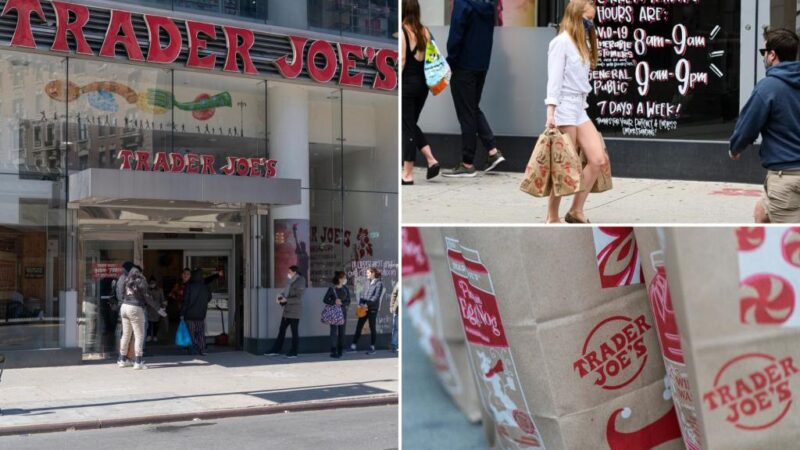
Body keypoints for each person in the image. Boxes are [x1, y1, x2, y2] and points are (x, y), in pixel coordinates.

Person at [544, 0, 606, 224]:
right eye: (587, 20)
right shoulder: (561, 43)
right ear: (575, 17)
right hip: (564, 107)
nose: (590, 24)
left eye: (592, 20)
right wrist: (551, 112)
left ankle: (576, 210)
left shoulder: (582, 43)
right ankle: (552, 216)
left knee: (598, 159)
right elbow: (554, 79)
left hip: (580, 106)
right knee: (565, 166)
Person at [729, 27, 800, 223]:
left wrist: (735, 148)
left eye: (764, 52)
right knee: (761, 215)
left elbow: (748, 126)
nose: (763, 57)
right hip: (786, 176)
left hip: (786, 177)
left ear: (772, 55)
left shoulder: (768, 87)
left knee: (790, 243)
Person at [442, 0, 505, 178]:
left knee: (466, 112)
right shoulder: (489, 5)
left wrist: (451, 61)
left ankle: (468, 163)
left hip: (463, 65)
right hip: (481, 65)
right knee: (473, 108)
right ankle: (492, 152)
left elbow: (456, 34)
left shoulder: (463, 3)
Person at [401, 0, 440, 185]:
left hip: (407, 86)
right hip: (423, 86)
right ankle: (431, 160)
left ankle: (407, 174)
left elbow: (401, 60)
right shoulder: (425, 31)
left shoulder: (403, 31)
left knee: (408, 127)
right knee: (411, 124)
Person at [118, 265, 166, 370]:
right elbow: (147, 296)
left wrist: (125, 301)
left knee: (126, 335)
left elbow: (121, 293)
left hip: (124, 307)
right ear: (139, 271)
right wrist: (158, 308)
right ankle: (138, 361)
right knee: (139, 335)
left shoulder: (127, 279)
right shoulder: (141, 279)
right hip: (135, 308)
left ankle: (122, 360)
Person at [265, 265, 306, 359]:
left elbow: (298, 299)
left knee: (294, 331)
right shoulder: (290, 281)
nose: (288, 274)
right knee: (282, 330)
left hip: (295, 311)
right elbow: (286, 292)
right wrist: (280, 297)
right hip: (287, 311)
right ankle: (275, 350)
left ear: (294, 272)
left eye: (290, 272)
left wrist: (286, 300)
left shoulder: (300, 281)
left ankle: (294, 352)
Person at [348, 267, 385, 355]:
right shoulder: (366, 283)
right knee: (359, 327)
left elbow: (376, 297)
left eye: (368, 273)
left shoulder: (379, 284)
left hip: (372, 309)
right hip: (364, 309)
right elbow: (363, 294)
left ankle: (372, 348)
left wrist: (367, 305)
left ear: (373, 273)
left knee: (372, 328)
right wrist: (361, 303)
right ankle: (353, 346)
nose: (367, 274)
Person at [181, 269, 212, 356]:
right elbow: (209, 298)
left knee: (191, 333)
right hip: (201, 314)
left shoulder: (189, 286)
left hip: (189, 314)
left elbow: (185, 301)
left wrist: (182, 313)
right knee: (200, 332)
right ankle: (202, 349)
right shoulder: (205, 286)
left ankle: (192, 350)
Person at [323, 271, 350, 358]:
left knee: (342, 332)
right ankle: (333, 350)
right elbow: (325, 300)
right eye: (344, 278)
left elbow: (348, 301)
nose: (345, 279)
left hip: (343, 312)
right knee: (334, 332)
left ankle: (340, 350)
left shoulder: (345, 289)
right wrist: (333, 301)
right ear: (339, 279)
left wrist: (342, 303)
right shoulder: (332, 289)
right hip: (334, 313)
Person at [146, 277, 166, 343]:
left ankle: (155, 335)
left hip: (157, 309)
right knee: (148, 323)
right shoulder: (146, 290)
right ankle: (148, 335)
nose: (152, 284)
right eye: (151, 283)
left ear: (155, 283)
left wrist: (163, 307)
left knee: (156, 323)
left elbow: (162, 299)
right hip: (148, 309)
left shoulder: (160, 290)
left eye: (153, 283)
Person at [390, 283, 399, 353]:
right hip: (397, 310)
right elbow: (394, 294)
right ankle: (394, 346)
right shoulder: (399, 283)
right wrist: (392, 307)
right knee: (396, 328)